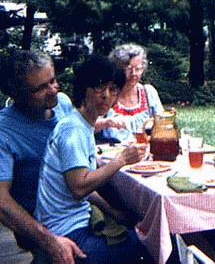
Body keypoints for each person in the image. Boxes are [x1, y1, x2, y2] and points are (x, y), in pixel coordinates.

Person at [34, 55, 152, 263]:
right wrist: (121, 160)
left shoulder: (82, 124)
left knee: (137, 227)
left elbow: (84, 188)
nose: (106, 96)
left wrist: (112, 211)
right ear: (83, 89)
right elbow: (79, 188)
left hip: (72, 221)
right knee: (151, 244)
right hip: (66, 234)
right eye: (99, 87)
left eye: (113, 89)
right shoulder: (73, 131)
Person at [0, 50, 86, 263]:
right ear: (16, 93)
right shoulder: (4, 131)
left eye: (53, 80)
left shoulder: (63, 103)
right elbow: (1, 201)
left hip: (77, 205)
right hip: (43, 222)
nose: (53, 90)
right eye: (40, 88)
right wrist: (49, 241)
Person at [98, 43, 164, 142]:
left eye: (138, 69)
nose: (133, 74)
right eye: (128, 69)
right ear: (117, 69)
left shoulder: (148, 93)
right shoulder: (107, 94)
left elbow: (163, 125)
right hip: (112, 154)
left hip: (145, 153)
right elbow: (87, 127)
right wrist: (106, 122)